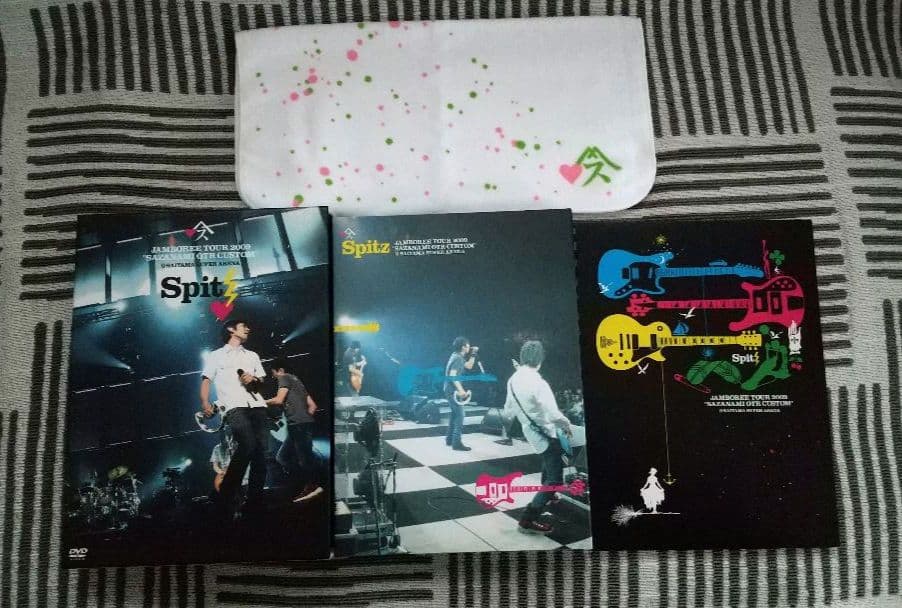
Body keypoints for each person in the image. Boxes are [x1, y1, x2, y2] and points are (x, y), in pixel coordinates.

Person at [200, 319, 269, 519]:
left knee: (261, 455)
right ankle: (225, 496)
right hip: (233, 406)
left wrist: (253, 379)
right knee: (247, 445)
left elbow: (261, 382)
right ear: (231, 330)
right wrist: (205, 402)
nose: (248, 328)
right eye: (243, 326)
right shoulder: (216, 356)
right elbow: (206, 380)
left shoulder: (252, 356)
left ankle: (254, 503)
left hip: (257, 405)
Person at [502, 340, 572, 534]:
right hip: (546, 434)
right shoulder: (539, 383)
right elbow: (554, 415)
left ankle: (549, 494)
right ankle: (527, 520)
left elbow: (508, 410)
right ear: (540, 360)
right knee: (555, 480)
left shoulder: (512, 380)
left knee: (548, 460)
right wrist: (567, 424)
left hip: (531, 433)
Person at [267, 359, 324, 503]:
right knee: (282, 457)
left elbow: (279, 400)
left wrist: (261, 402)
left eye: (273, 373)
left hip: (298, 425)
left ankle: (314, 484)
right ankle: (309, 480)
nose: (273, 376)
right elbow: (313, 406)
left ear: (280, 370)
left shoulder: (284, 377)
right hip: (299, 425)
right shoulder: (298, 382)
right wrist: (305, 418)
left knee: (303, 460)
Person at [443, 336, 477, 451]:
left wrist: (473, 354)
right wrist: (461, 390)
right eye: (468, 345)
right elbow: (453, 375)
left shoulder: (457, 356)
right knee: (460, 415)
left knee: (455, 414)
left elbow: (469, 366)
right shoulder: (458, 358)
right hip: (452, 390)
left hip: (449, 389)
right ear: (463, 347)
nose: (469, 347)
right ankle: (456, 443)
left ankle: (449, 439)